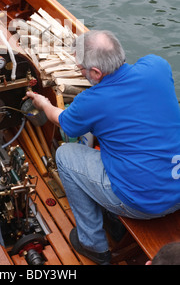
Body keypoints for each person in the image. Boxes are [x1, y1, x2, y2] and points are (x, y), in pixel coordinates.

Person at [26, 30, 180, 265]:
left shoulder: (92, 101)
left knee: (65, 155)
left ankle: (92, 244)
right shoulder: (157, 66)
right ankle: (115, 222)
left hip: (143, 203)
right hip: (177, 191)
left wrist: (44, 103)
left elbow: (62, 119)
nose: (81, 72)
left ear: (96, 72)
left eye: (81, 69)